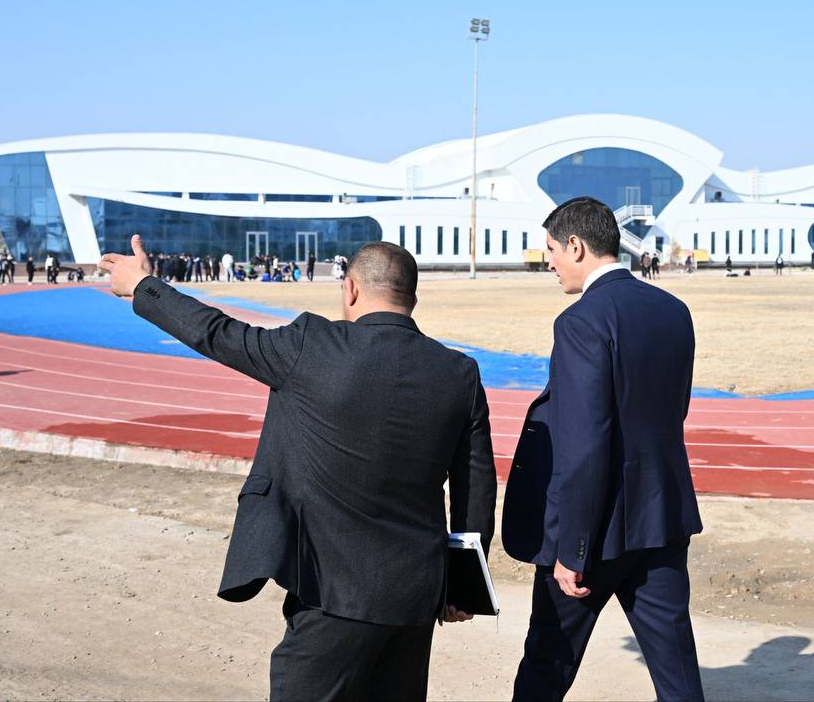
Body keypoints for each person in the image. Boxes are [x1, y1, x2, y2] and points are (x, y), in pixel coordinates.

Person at [98, 237, 496, 701]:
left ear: (350, 289)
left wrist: (143, 285)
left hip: (332, 592)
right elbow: (476, 485)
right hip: (413, 597)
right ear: (412, 297)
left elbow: (217, 332)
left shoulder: (311, 344)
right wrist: (464, 585)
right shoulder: (459, 373)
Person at [502, 197, 704, 702]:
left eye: (551, 250)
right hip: (661, 519)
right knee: (678, 675)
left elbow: (583, 445)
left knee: (546, 666)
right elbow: (673, 412)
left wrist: (572, 548)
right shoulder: (674, 311)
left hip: (593, 535)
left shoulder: (581, 321)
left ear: (576, 246)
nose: (549, 262)